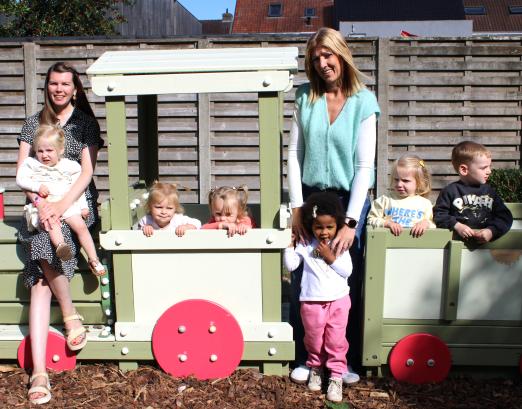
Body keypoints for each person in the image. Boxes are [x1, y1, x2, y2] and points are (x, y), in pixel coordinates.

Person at [287, 27, 380, 383]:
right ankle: (306, 359)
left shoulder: (364, 102)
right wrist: (297, 207)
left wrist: (351, 221)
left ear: (342, 55)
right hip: (310, 198)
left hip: (347, 202)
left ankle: (346, 362)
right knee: (304, 276)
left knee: (345, 280)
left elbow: (364, 167)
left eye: (328, 55)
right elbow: (294, 155)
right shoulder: (304, 97)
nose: (323, 64)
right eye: (316, 59)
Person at [16, 62, 103, 405]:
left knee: (43, 258)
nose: (59, 89)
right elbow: (23, 173)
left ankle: (42, 364)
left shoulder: (86, 124)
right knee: (42, 260)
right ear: (47, 86)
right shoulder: (32, 124)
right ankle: (44, 362)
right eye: (54, 83)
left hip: (77, 206)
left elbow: (87, 173)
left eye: (65, 84)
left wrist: (61, 205)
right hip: (41, 206)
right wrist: (42, 203)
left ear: (75, 88)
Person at [283, 192, 352, 403]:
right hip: (311, 301)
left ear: (338, 225)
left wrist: (331, 258)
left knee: (336, 340)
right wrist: (289, 245)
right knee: (313, 339)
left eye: (329, 227)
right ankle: (315, 368)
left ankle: (336, 375)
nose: (324, 232)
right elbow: (291, 266)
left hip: (338, 301)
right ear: (310, 225)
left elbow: (347, 271)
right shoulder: (306, 244)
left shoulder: (339, 245)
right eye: (318, 227)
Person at [16, 124, 106, 275]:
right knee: (52, 224)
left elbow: (78, 188)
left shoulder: (70, 166)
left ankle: (93, 259)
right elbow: (20, 180)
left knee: (81, 227)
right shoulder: (31, 164)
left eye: (49, 150)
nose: (44, 155)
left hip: (67, 203)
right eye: (40, 151)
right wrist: (37, 186)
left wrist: (83, 206)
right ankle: (61, 246)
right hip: (46, 205)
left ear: (60, 150)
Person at [433, 141, 513, 242]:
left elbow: (505, 217)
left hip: (485, 248)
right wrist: (457, 226)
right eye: (484, 168)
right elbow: (439, 215)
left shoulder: (490, 192)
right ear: (464, 170)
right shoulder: (450, 191)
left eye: (489, 166)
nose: (489, 171)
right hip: (456, 245)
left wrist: (491, 231)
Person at [367, 154, 435, 237]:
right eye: (396, 179)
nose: (399, 184)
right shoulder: (384, 200)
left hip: (415, 243)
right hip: (388, 243)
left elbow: (434, 225)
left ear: (419, 182)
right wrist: (386, 223)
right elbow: (371, 220)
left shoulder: (425, 204)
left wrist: (425, 224)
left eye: (405, 181)